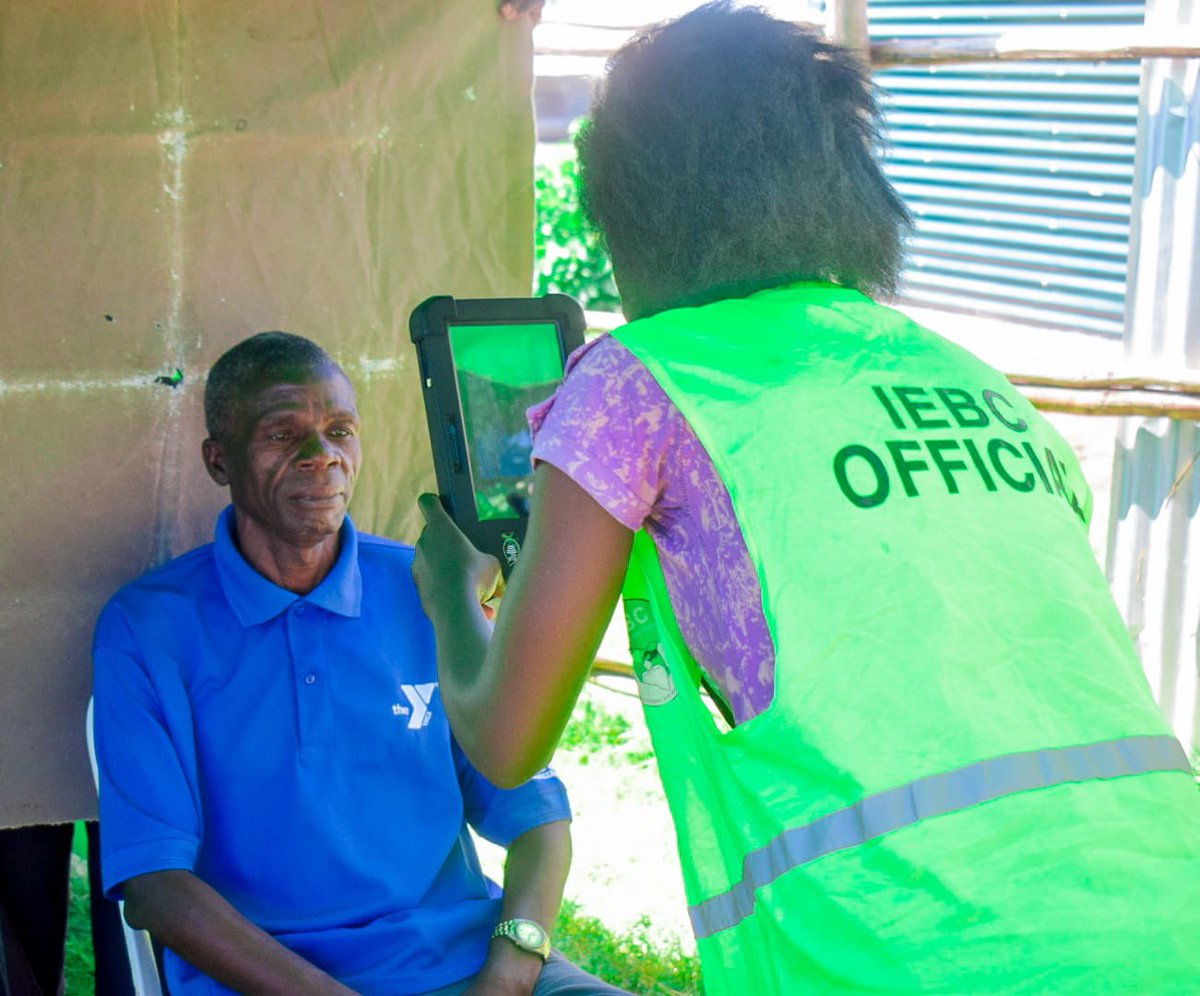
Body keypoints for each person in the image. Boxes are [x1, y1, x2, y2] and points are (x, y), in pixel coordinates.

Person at [411, 3, 1200, 993]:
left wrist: (449, 587)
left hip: (914, 951)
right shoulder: (970, 379)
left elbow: (505, 738)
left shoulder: (631, 384)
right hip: (1170, 912)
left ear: (641, 210)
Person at [92, 332, 627, 996]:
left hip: (466, 969)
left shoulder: (427, 587)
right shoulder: (148, 628)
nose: (322, 458)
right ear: (218, 461)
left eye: (340, 431)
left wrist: (513, 970)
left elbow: (538, 817)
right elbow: (156, 889)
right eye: (283, 436)